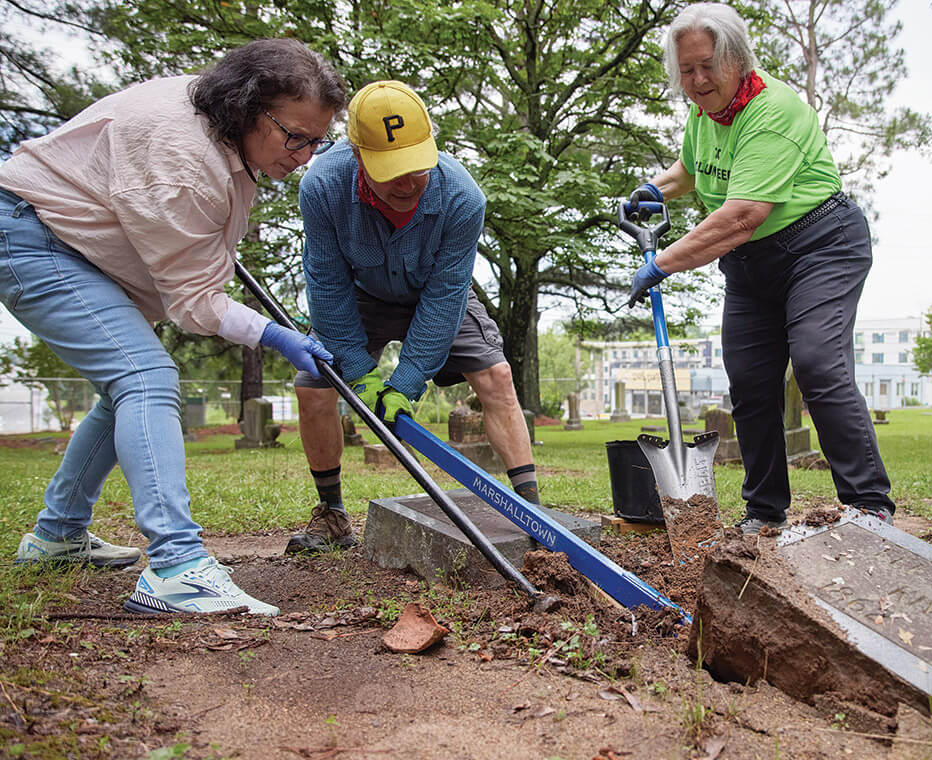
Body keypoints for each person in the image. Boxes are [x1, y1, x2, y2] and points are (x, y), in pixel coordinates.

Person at [0, 39, 347, 614]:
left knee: (125, 391)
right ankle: (177, 568)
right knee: (145, 376)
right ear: (248, 108)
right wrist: (279, 337)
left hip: (79, 246)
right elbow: (194, 302)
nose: (307, 156)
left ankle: (57, 536)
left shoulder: (222, 133)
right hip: (33, 235)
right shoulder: (182, 161)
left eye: (318, 140)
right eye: (296, 137)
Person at [626, 3, 895, 534]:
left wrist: (661, 263)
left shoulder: (774, 111)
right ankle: (765, 513)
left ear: (738, 58)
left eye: (708, 65)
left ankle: (868, 506)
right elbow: (693, 166)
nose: (698, 80)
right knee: (750, 383)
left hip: (819, 245)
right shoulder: (704, 113)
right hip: (751, 265)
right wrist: (657, 187)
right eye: (687, 70)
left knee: (818, 360)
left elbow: (742, 216)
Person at [286, 80, 541, 553]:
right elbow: (326, 282)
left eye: (417, 168)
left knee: (497, 375)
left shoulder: (464, 199)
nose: (407, 184)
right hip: (360, 295)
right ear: (358, 154)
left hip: (435, 292)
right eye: (391, 171)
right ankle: (333, 514)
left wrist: (405, 380)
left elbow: (447, 297)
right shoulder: (322, 186)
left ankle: (534, 511)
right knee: (312, 386)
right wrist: (358, 371)